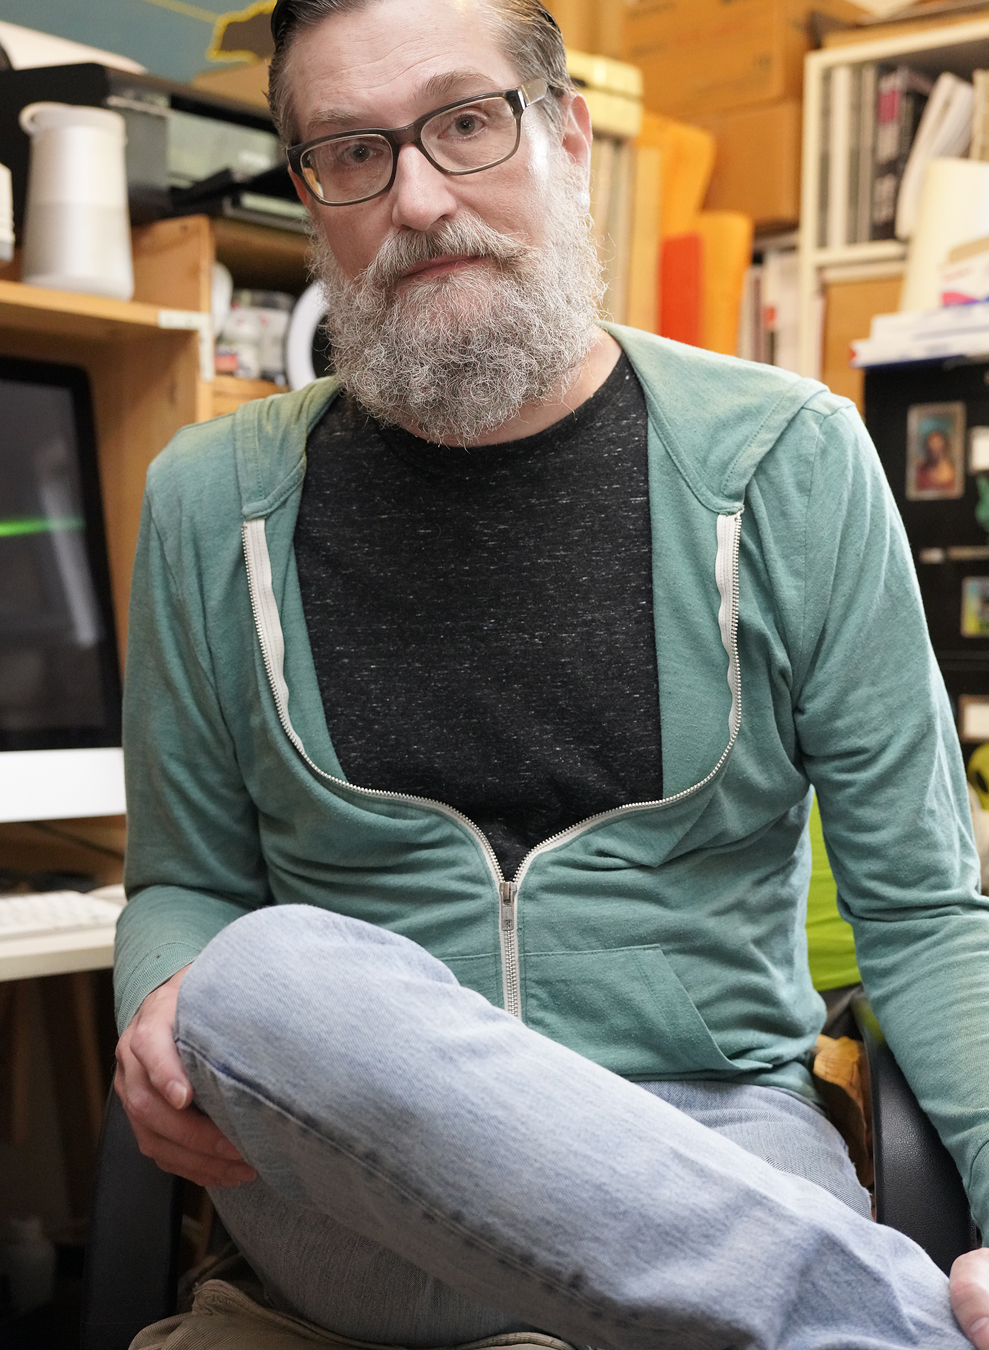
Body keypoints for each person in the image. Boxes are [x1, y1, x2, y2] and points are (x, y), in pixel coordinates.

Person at [113, 1, 989, 1345]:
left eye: (465, 123)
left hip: (710, 1158)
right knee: (263, 978)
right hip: (363, 1190)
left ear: (565, 133)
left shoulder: (790, 463)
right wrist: (161, 996)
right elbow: (185, 875)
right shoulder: (204, 501)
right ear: (309, 196)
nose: (415, 198)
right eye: (350, 152)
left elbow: (926, 914)